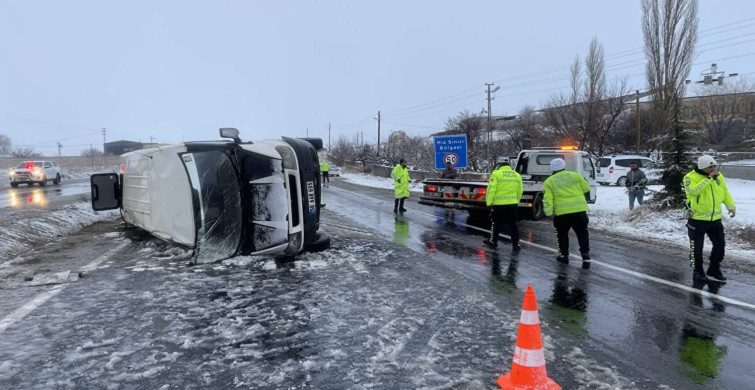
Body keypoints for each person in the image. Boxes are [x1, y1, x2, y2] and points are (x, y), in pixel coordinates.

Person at [683, 155, 736, 283]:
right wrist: (708, 179)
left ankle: (714, 269)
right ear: (702, 167)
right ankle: (698, 272)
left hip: (715, 219)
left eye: (714, 166)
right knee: (696, 248)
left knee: (720, 246)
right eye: (710, 167)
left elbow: (724, 192)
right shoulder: (690, 177)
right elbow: (694, 191)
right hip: (697, 219)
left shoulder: (719, 176)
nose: (713, 168)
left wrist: (731, 206)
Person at [543, 158, 592, 269]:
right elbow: (586, 188)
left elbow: (547, 199)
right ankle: (585, 253)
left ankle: (563, 255)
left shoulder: (549, 181)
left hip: (562, 213)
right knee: (582, 233)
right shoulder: (576, 175)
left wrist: (548, 212)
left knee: (562, 234)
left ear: (552, 168)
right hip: (579, 210)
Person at [483, 156, 523, 251]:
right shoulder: (516, 175)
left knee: (496, 223)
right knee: (513, 224)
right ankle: (516, 244)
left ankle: (493, 241)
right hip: (512, 204)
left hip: (499, 205)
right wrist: (516, 200)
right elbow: (520, 190)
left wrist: (489, 203)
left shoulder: (496, 174)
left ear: (499, 164)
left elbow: (491, 189)